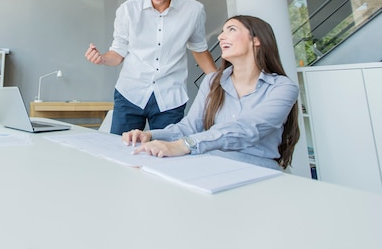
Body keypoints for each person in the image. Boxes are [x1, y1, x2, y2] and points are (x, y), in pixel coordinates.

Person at [123, 15, 300, 170]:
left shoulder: (283, 88)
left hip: (258, 170)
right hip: (212, 166)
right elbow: (189, 127)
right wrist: (150, 135)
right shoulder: (212, 81)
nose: (221, 37)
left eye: (231, 29)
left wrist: (185, 145)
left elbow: (247, 129)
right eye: (222, 32)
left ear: (256, 40)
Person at [85, 0, 216, 134]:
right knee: (119, 152)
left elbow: (199, 49)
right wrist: (102, 59)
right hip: (130, 93)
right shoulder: (127, 10)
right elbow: (118, 52)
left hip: (170, 98)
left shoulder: (193, 10)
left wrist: (220, 83)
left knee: (165, 155)